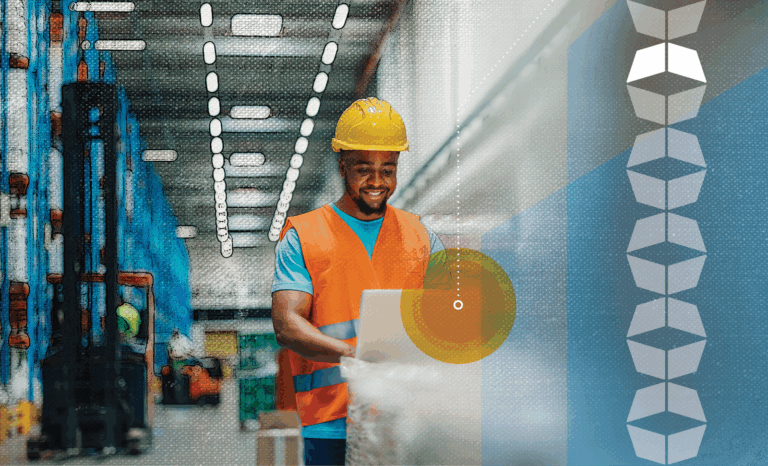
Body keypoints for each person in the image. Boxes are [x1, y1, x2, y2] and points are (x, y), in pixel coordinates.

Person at [271, 97, 445, 466]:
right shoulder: (305, 235)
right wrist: (354, 355)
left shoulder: (421, 237)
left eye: (389, 169)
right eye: (364, 169)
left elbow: (447, 319)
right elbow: (287, 325)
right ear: (342, 164)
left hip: (406, 416)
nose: (377, 182)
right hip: (330, 423)